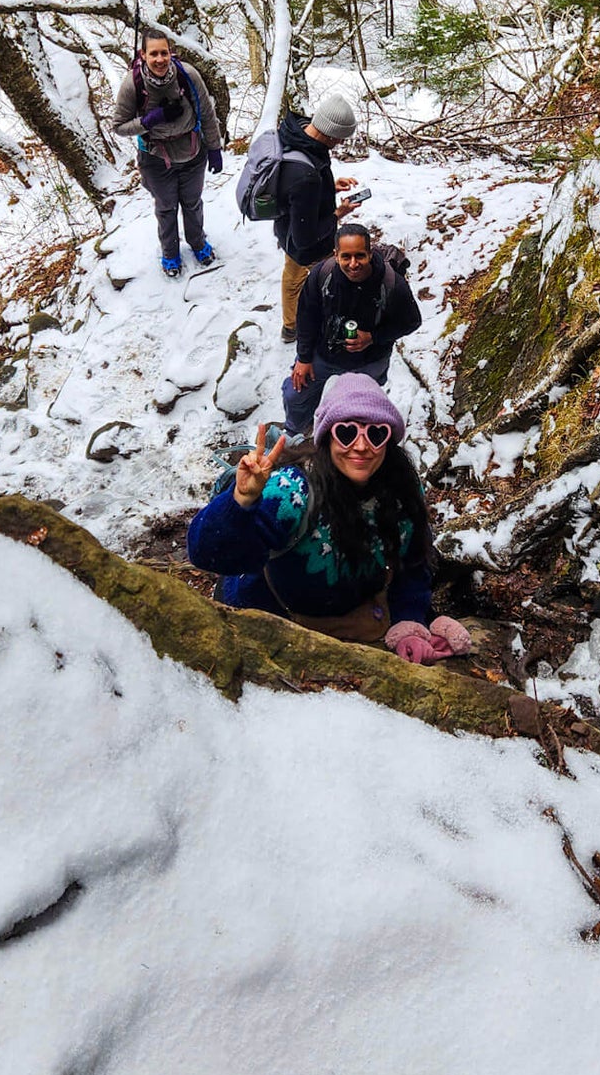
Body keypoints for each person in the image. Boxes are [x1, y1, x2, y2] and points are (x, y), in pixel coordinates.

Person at [187, 374, 472, 659]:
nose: (361, 446)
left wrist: (410, 621)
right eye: (346, 433)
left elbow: (412, 564)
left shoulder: (401, 492)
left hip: (351, 620)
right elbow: (207, 555)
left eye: (375, 434)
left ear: (389, 440)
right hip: (268, 619)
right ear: (326, 437)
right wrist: (241, 500)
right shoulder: (292, 490)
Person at [282, 223, 422, 435]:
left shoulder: (392, 283)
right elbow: (306, 317)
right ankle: (295, 434)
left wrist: (373, 337)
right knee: (295, 395)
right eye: (346, 257)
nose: (353, 264)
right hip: (324, 353)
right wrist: (303, 358)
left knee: (362, 410)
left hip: (369, 360)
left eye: (360, 256)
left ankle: (349, 440)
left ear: (370, 253)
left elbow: (411, 321)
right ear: (336, 255)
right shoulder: (322, 276)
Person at [112, 29, 223, 278]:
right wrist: (151, 119)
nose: (160, 59)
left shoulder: (188, 75)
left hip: (193, 152)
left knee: (192, 203)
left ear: (171, 53)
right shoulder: (133, 84)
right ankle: (170, 253)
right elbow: (119, 126)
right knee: (166, 207)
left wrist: (214, 148)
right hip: (155, 158)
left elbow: (206, 113)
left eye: (164, 52)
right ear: (144, 55)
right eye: (154, 54)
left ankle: (198, 243)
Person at [274, 93, 357, 342]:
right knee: (329, 279)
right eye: (341, 138)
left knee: (292, 275)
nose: (341, 143)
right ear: (330, 133)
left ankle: (290, 326)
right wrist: (338, 214)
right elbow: (305, 239)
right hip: (304, 239)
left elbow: (297, 188)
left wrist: (329, 185)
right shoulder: (306, 176)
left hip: (286, 224)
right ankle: (325, 325)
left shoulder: (295, 134)